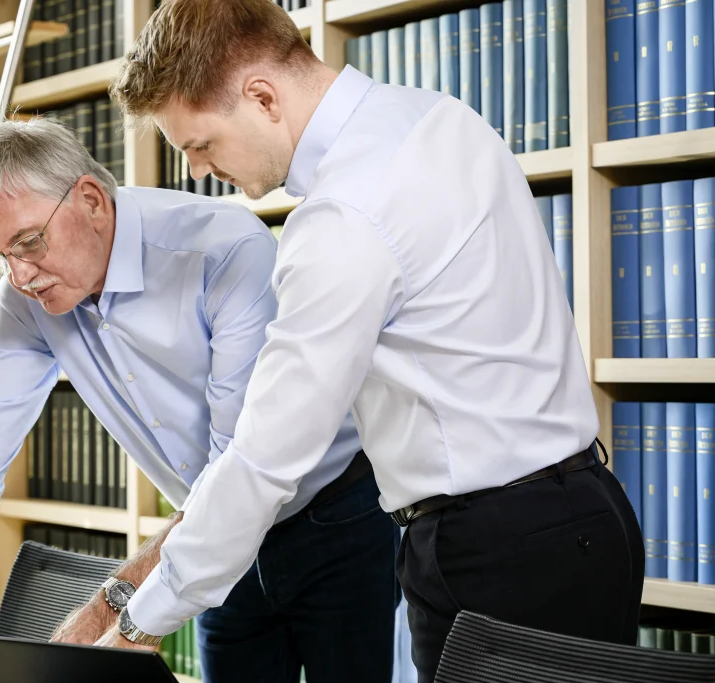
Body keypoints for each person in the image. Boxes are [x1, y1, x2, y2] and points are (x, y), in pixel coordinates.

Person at [103, 1, 645, 680]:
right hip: (589, 515)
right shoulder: (440, 117)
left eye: (200, 145)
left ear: (262, 97)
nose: (199, 173)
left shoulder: (343, 216)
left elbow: (268, 456)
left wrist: (139, 619)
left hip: (496, 550)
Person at [0, 117, 398, 683]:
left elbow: (242, 461)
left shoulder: (223, 250)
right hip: (207, 541)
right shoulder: (28, 300)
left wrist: (116, 601)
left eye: (28, 243)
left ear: (91, 201)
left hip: (333, 516)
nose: (19, 275)